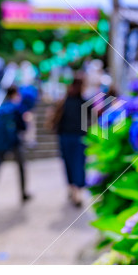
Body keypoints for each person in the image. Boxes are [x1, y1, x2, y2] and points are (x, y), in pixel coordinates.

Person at [0, 86, 31, 217]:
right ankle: (23, 194)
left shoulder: (0, 109)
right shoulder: (16, 108)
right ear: (15, 93)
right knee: (21, 167)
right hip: (14, 143)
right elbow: (23, 126)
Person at [48, 75, 86, 207]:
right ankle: (76, 191)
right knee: (78, 164)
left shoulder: (65, 101)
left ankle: (72, 189)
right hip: (77, 138)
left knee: (69, 164)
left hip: (65, 137)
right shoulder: (82, 101)